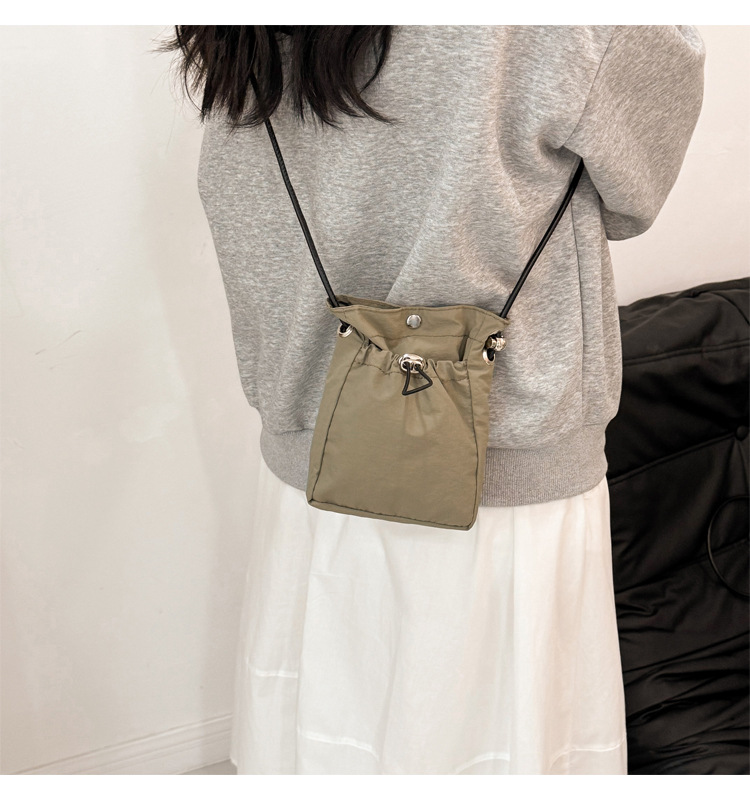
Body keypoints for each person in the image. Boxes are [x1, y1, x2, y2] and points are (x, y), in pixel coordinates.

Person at [165, 25, 705, 774]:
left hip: (316, 452)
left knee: (327, 729)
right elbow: (632, 195)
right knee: (499, 741)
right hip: (505, 476)